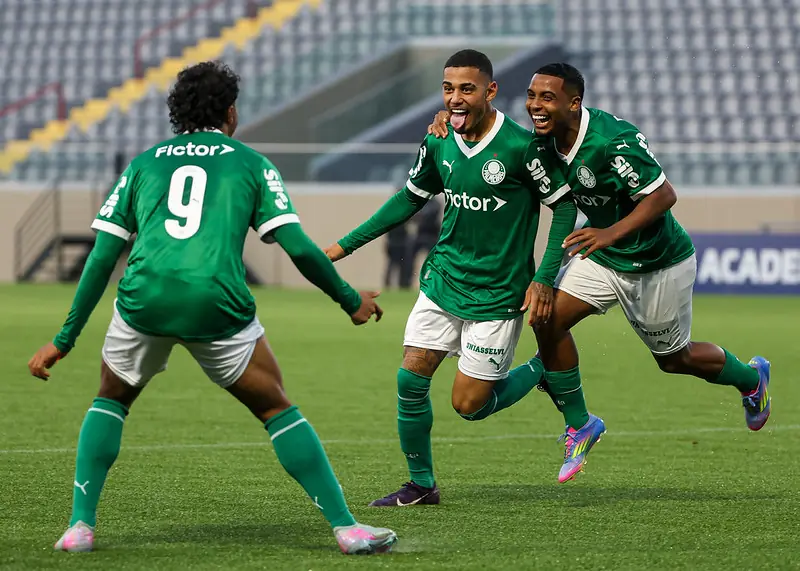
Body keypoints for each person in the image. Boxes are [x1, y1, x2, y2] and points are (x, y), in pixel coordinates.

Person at [27, 61, 397, 555]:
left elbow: (100, 257)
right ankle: (346, 529)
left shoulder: (143, 164)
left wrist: (64, 339)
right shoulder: (251, 164)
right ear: (230, 111)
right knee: (276, 408)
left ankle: (79, 528)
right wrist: (350, 300)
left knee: (110, 399)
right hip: (215, 301)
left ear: (177, 113)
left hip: (145, 300)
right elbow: (300, 248)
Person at [427, 62, 771, 483]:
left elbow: (663, 195)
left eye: (547, 98)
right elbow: (493, 129)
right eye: (532, 96)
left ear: (574, 103)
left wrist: (609, 233)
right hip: (603, 258)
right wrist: (453, 118)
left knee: (674, 359)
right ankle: (580, 423)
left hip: (657, 263)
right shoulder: (543, 140)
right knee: (546, 318)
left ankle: (751, 379)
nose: (536, 106)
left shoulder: (612, 140)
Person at [324, 50, 577, 507]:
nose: (455, 98)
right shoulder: (438, 140)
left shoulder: (522, 147)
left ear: (490, 91)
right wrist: (343, 246)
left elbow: (563, 207)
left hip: (498, 294)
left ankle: (543, 367)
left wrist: (543, 277)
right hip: (443, 280)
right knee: (410, 380)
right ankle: (421, 485)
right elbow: (409, 199)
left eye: (466, 89)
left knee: (469, 406)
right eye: (448, 89)